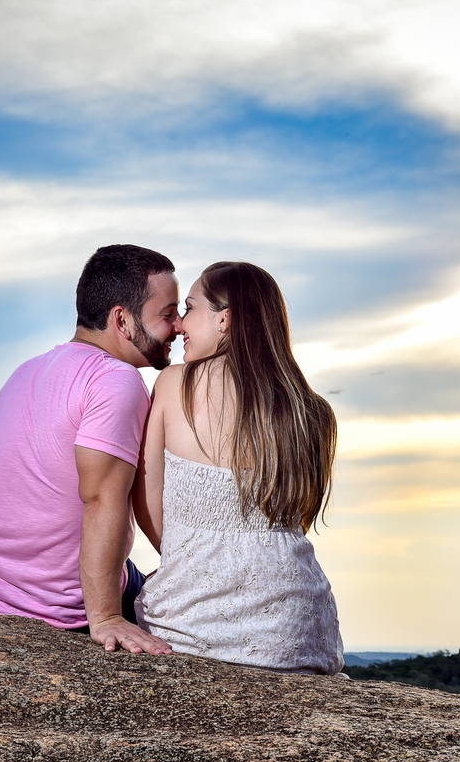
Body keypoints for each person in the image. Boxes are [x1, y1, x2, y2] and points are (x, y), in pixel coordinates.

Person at [0, 244, 178, 654]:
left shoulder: (27, 369)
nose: (178, 326)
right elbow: (101, 499)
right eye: (167, 314)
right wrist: (105, 616)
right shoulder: (116, 381)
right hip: (55, 605)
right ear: (121, 320)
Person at [133, 261, 344, 674]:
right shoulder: (313, 411)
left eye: (190, 308)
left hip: (191, 620)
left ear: (224, 319)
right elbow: (295, 518)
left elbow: (146, 500)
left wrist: (192, 561)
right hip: (296, 630)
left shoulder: (175, 384)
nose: (179, 325)